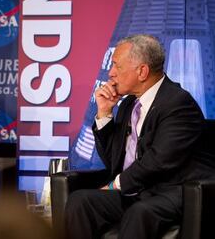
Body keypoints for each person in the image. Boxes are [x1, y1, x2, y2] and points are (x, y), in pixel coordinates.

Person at [65, 34, 215, 238]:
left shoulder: (178, 104)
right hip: (139, 191)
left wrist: (115, 185)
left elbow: (159, 161)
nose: (111, 73)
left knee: (140, 211)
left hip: (174, 191)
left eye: (117, 66)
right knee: (80, 201)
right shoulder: (128, 104)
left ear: (142, 71)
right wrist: (104, 114)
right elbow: (113, 159)